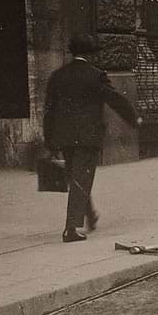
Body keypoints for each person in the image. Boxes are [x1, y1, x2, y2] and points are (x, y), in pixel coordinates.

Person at [43, 33, 142, 243]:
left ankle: (90, 214)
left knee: (76, 176)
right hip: (87, 136)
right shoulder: (95, 75)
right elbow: (115, 99)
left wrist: (49, 140)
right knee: (82, 177)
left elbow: (48, 111)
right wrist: (133, 118)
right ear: (89, 55)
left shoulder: (58, 76)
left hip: (65, 137)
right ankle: (71, 228)